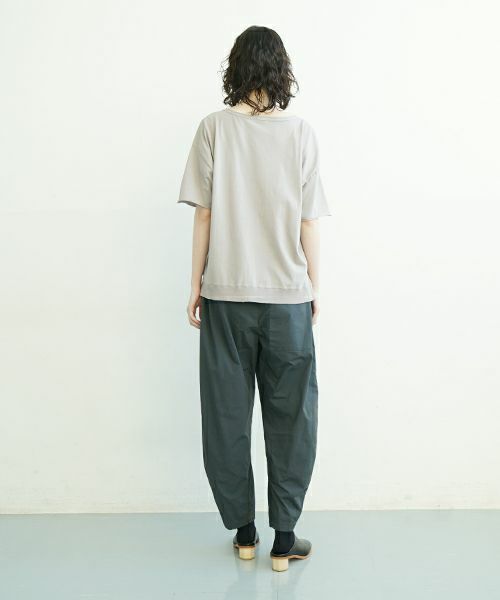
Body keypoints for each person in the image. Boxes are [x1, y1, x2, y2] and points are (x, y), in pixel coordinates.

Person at [177, 25, 331, 572]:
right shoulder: (301, 133)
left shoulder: (213, 128)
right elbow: (308, 221)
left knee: (226, 414)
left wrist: (195, 283)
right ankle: (284, 538)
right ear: (281, 71)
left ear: (236, 68)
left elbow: (204, 214)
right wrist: (314, 286)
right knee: (293, 416)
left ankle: (244, 532)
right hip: (288, 298)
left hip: (226, 295)